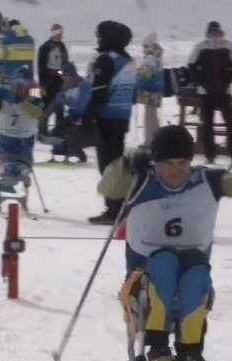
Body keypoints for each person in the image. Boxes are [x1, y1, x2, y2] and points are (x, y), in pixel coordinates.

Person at [118, 126, 232, 361]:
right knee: (163, 262)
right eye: (168, 164)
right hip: (143, 281)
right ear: (155, 163)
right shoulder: (141, 181)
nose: (176, 171)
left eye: (183, 163)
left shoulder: (208, 181)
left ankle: (190, 352)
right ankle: (157, 349)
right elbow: (108, 187)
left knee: (197, 272)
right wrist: (127, 164)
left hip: (190, 275)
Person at [86, 20, 136, 225]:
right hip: (122, 117)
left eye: (100, 35)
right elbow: (133, 93)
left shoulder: (106, 59)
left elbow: (98, 91)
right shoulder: (129, 60)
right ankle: (120, 205)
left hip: (105, 118)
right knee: (117, 163)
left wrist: (88, 114)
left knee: (107, 166)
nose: (98, 38)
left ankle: (114, 209)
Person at [0, 66, 44, 211]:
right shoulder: (3, 90)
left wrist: (23, 101)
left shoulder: (35, 90)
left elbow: (38, 113)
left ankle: (22, 184)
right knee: (4, 164)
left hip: (24, 137)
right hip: (7, 135)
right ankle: (4, 185)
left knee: (23, 164)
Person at [188, 21, 232, 163]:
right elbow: (191, 65)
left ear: (220, 32)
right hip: (206, 92)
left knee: (231, 122)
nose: (214, 35)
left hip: (225, 91)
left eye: (216, 32)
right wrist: (201, 82)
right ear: (208, 33)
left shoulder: (228, 45)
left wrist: (228, 80)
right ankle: (210, 155)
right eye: (212, 32)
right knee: (207, 124)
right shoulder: (201, 46)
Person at [43, 62, 92, 163]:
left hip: (82, 119)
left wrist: (65, 103)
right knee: (57, 131)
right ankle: (59, 152)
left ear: (71, 75)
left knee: (69, 129)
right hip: (69, 118)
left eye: (65, 76)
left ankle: (77, 152)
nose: (63, 79)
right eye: (62, 76)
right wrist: (44, 117)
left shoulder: (84, 85)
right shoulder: (65, 86)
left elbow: (81, 104)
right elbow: (55, 102)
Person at [37, 23, 70, 135]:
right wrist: (42, 84)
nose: (61, 36)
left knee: (60, 107)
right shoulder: (45, 47)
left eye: (61, 33)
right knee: (46, 106)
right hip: (48, 81)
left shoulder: (62, 46)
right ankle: (42, 130)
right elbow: (41, 67)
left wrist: (65, 76)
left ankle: (59, 130)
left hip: (60, 81)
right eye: (59, 33)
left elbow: (65, 64)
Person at [137, 32, 165, 147]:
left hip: (148, 91)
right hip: (156, 91)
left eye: (144, 46)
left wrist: (137, 73)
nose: (143, 49)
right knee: (153, 116)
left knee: (149, 117)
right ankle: (157, 138)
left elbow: (145, 75)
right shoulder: (157, 58)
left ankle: (150, 140)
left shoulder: (149, 58)